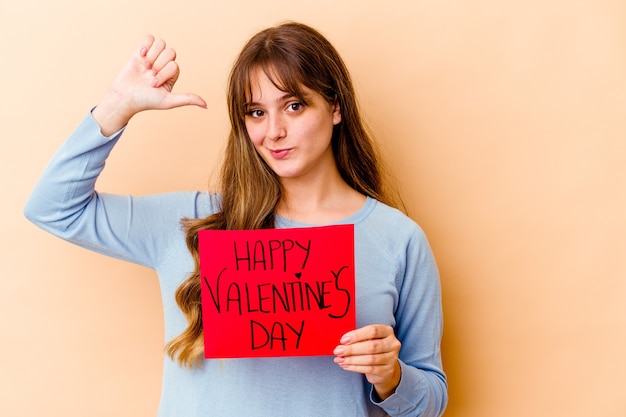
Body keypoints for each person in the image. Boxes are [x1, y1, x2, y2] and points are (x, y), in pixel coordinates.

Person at [24, 22, 447, 417]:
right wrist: (117, 106)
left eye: (294, 106)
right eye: (256, 113)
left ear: (335, 107)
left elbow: (432, 399)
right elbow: (52, 208)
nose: (274, 131)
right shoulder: (190, 223)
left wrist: (391, 377)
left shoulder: (397, 240)